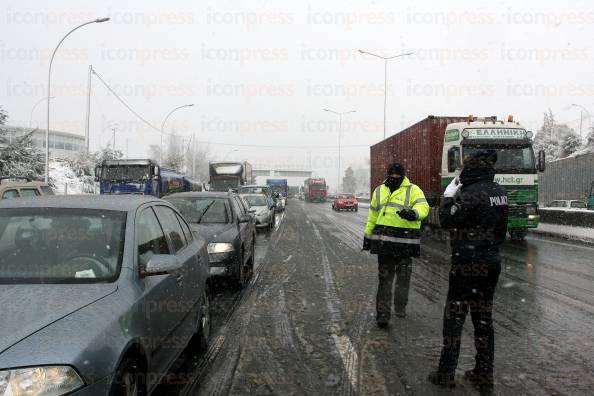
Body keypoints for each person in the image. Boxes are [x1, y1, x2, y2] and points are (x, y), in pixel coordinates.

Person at [428, 149, 508, 389]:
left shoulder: (470, 193)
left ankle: (446, 373)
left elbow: (447, 220)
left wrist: (449, 197)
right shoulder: (500, 192)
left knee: (454, 318)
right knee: (483, 320)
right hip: (491, 261)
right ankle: (484, 374)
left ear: (470, 168)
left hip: (466, 263)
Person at [362, 163, 429, 327]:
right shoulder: (379, 190)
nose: (394, 178)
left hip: (406, 244)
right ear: (388, 174)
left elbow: (424, 207)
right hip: (385, 244)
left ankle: (400, 306)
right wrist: (368, 236)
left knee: (403, 279)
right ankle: (383, 315)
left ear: (403, 175)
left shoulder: (413, 190)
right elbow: (372, 216)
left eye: (397, 175)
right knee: (385, 280)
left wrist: (413, 214)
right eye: (391, 175)